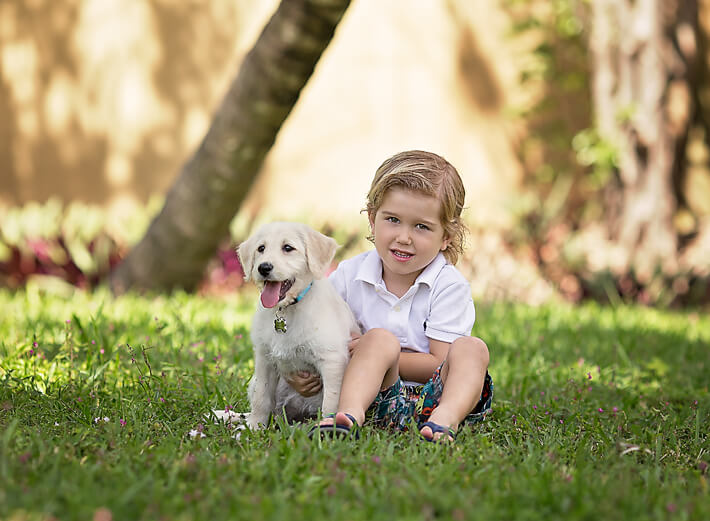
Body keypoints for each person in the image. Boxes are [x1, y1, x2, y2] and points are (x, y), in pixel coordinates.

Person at [287, 150, 492, 442]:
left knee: (473, 349)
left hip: (437, 395)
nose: (404, 237)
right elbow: (310, 331)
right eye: (393, 219)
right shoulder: (349, 274)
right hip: (377, 395)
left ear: (446, 236)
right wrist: (299, 371)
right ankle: (347, 416)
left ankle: (444, 421)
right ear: (372, 219)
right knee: (379, 340)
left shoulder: (448, 286)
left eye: (421, 226)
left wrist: (369, 351)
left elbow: (440, 363)